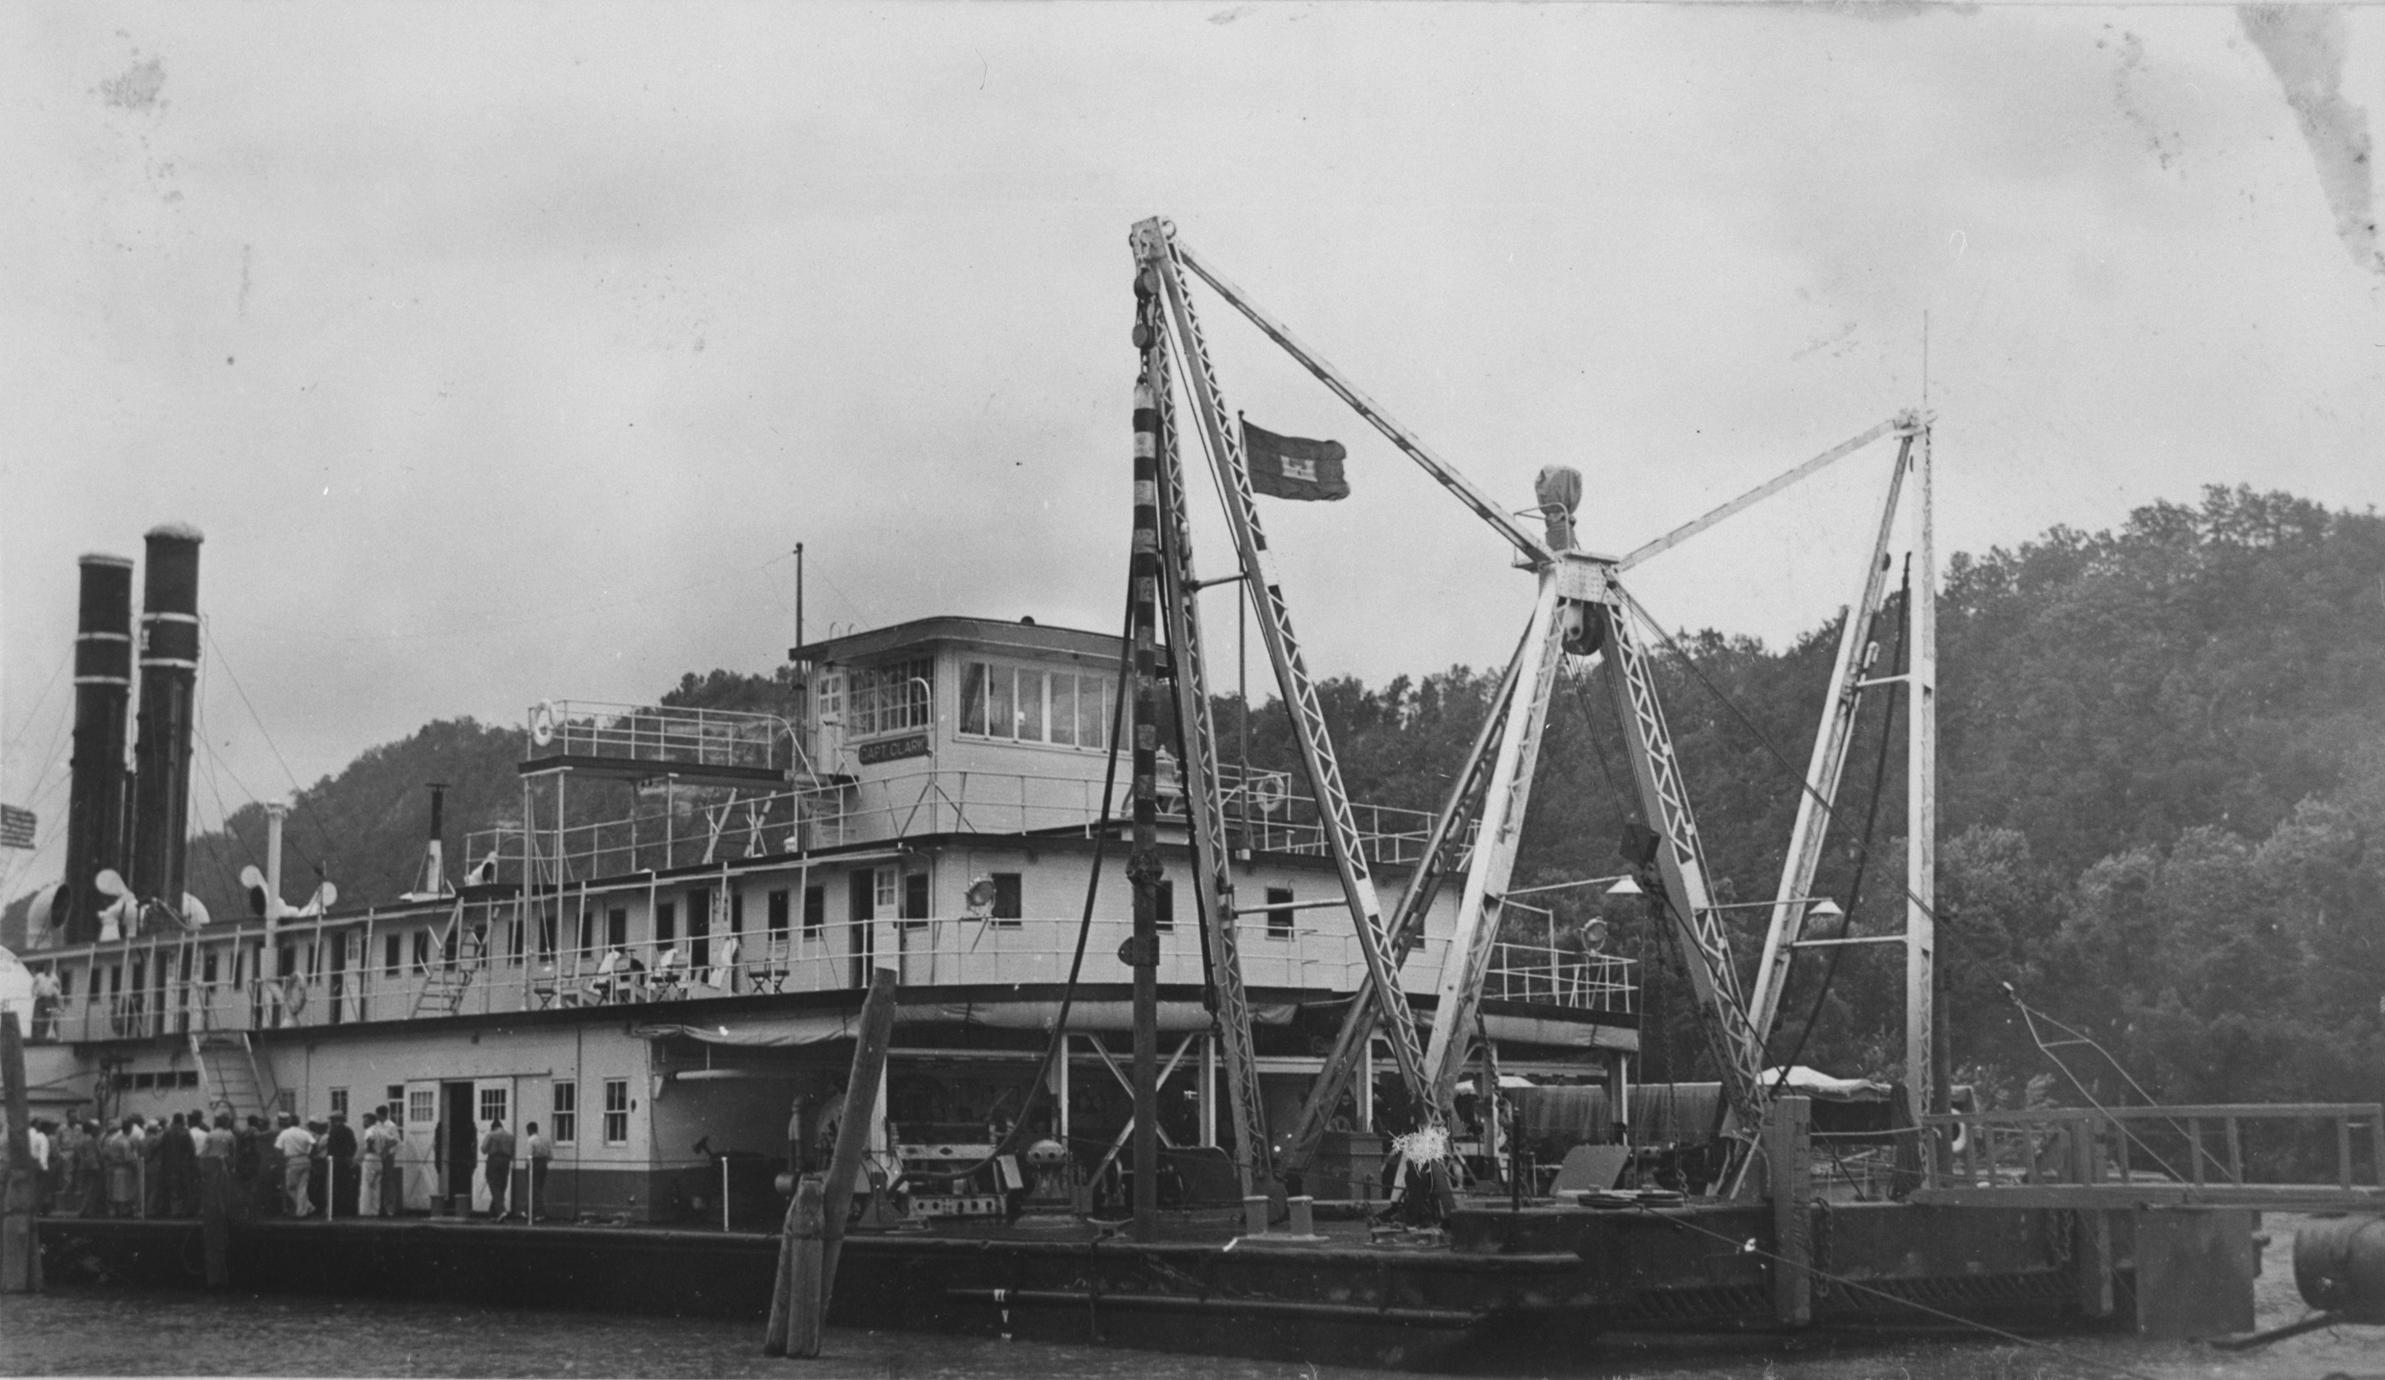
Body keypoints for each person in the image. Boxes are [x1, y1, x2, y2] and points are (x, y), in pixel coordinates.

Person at [274, 1114, 316, 1217]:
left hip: (292, 1160)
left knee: (291, 1187)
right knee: (303, 1186)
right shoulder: (304, 1133)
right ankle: (307, 1207)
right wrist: (310, 1155)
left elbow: (278, 1148)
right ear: (298, 1122)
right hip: (305, 1159)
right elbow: (314, 1144)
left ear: (289, 1122)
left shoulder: (285, 1133)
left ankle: (302, 1210)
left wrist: (281, 1159)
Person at [198, 1113, 235, 1219]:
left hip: (211, 1163)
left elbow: (204, 1152)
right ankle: (224, 1209)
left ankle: (211, 1209)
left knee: (211, 1188)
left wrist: (201, 1164)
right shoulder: (229, 1134)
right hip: (225, 1163)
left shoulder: (211, 1134)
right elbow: (233, 1151)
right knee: (225, 1188)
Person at [160, 1111, 197, 1216]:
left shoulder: (166, 1132)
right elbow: (191, 1150)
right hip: (183, 1165)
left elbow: (160, 1146)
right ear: (182, 1121)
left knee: (172, 1188)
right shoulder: (185, 1133)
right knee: (184, 1188)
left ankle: (173, 1210)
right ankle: (184, 1211)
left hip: (168, 1164)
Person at [480, 1117, 516, 1220]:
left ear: (493, 1127)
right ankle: (493, 1213)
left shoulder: (491, 1135)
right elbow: (513, 1153)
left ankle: (501, 1211)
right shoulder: (511, 1137)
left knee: (494, 1185)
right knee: (502, 1186)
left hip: (494, 1160)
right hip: (506, 1161)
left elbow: (484, 1149)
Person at [102, 1117, 138, 1217]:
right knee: (124, 1192)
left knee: (115, 1192)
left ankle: (115, 1211)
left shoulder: (113, 1140)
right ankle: (124, 1211)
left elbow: (106, 1154)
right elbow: (128, 1158)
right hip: (124, 1169)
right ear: (130, 1129)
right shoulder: (125, 1141)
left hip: (113, 1168)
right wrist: (135, 1167)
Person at [327, 1112, 359, 1218]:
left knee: (335, 1186)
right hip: (346, 1160)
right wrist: (350, 1156)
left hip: (335, 1161)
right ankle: (348, 1209)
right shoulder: (348, 1130)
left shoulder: (333, 1131)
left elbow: (330, 1147)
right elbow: (354, 1145)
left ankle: (336, 1210)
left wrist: (329, 1157)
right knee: (346, 1185)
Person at [356, 1111, 384, 1216]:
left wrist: (369, 1150)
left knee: (367, 1185)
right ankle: (375, 1210)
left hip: (370, 1157)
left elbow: (370, 1141)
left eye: (365, 1120)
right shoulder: (380, 1131)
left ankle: (365, 1211)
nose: (363, 1123)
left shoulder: (369, 1131)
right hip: (379, 1158)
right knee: (376, 1186)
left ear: (371, 1121)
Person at [524, 1120, 552, 1221]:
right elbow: (550, 1156)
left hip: (534, 1165)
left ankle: (540, 1213)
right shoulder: (545, 1140)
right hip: (543, 1164)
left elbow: (529, 1156)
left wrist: (528, 1166)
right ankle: (529, 1211)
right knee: (539, 1189)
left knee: (533, 1189)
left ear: (529, 1130)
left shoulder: (531, 1140)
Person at [29, 967, 62, 1040]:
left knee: (53, 1018)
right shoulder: (39, 976)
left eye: (49, 969)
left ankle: (57, 1037)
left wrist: (58, 994)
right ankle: (39, 1037)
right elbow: (33, 985)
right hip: (41, 999)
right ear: (44, 970)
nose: (48, 971)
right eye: (47, 969)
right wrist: (33, 993)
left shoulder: (54, 977)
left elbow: (58, 985)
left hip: (51, 999)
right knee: (38, 1018)